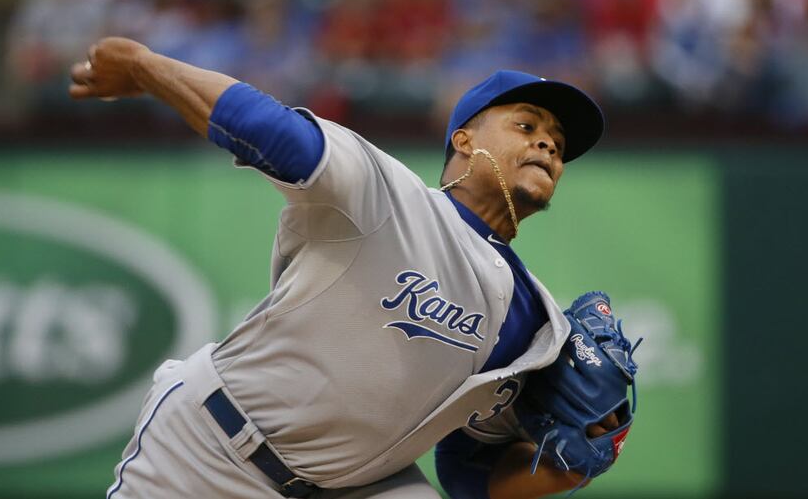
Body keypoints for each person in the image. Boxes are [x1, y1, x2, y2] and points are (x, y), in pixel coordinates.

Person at [69, 37, 612, 499]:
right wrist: (145, 65)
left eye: (558, 144)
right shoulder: (387, 195)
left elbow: (467, 470)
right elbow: (269, 129)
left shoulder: (537, 325)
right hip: (210, 449)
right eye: (526, 125)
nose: (547, 142)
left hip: (356, 485)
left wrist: (573, 463)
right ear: (463, 140)